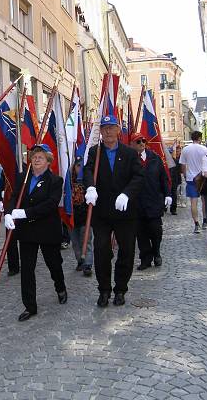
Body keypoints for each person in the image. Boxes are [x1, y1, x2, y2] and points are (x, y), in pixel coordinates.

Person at [84, 115, 144, 308]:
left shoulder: (129, 153)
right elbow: (87, 171)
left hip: (125, 212)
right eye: (104, 128)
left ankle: (120, 289)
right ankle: (104, 290)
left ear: (118, 130)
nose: (108, 132)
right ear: (100, 131)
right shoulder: (95, 152)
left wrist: (127, 194)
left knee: (126, 251)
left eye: (111, 128)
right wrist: (90, 187)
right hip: (102, 212)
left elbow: (139, 177)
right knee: (102, 250)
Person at [4, 144, 67, 321]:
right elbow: (14, 197)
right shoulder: (23, 177)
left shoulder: (55, 181)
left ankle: (60, 287)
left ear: (48, 161)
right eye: (34, 156)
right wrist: (9, 213)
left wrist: (26, 212)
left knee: (53, 264)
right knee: (27, 269)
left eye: (40, 156)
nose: (36, 158)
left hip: (47, 229)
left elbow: (51, 204)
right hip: (27, 231)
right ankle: (30, 306)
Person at [130, 133, 171, 270]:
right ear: (132, 144)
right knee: (141, 233)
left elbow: (163, 178)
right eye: (138, 141)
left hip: (154, 200)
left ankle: (156, 252)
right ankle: (145, 259)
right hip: (137, 202)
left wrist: (168, 194)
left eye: (143, 141)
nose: (141, 143)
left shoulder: (155, 158)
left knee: (155, 230)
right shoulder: (130, 159)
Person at [179, 131, 207, 234]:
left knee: (193, 202)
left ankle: (196, 224)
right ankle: (205, 221)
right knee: (205, 200)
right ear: (200, 138)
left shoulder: (186, 149)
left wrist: (185, 174)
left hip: (191, 178)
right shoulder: (204, 149)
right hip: (203, 177)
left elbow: (183, 165)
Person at [69, 157, 93, 276]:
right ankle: (80, 260)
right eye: (78, 166)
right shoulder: (68, 183)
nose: (80, 169)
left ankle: (87, 264)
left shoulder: (88, 182)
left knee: (86, 241)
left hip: (85, 217)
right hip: (72, 218)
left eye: (82, 166)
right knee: (75, 242)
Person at [169, 145, 183, 215]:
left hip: (174, 180)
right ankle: (171, 209)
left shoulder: (175, 161)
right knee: (172, 194)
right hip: (171, 180)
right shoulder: (164, 161)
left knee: (173, 194)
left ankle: (172, 208)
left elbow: (178, 172)